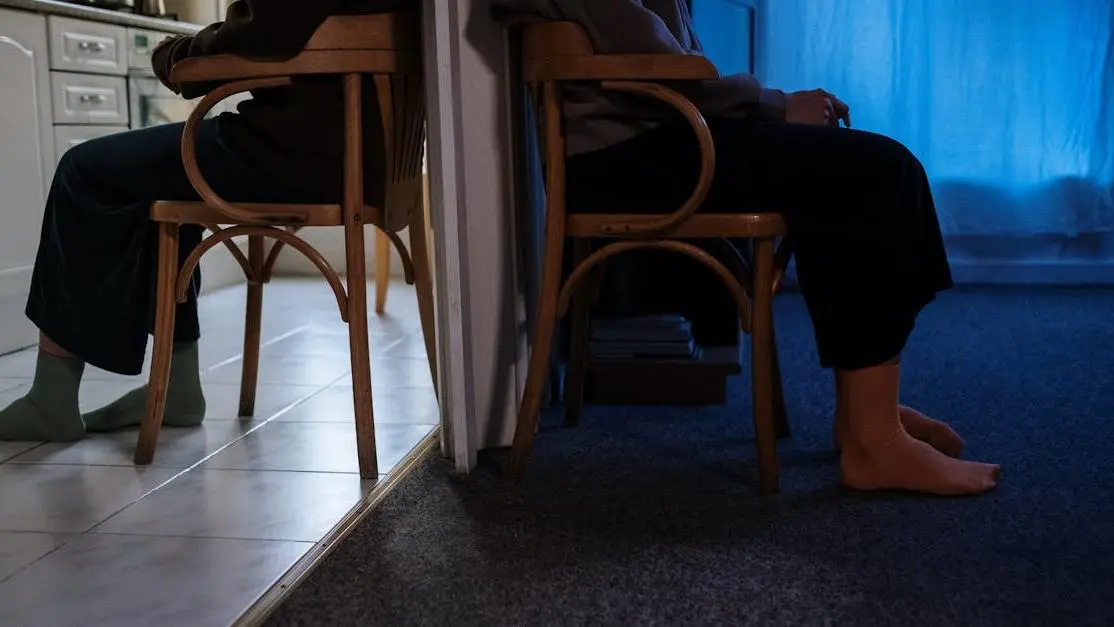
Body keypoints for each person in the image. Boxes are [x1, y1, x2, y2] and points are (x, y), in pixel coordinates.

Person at [492, 0, 1001, 496]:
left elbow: (665, 61)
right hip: (628, 157)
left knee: (875, 170)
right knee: (878, 174)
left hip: (659, 139)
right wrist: (776, 105)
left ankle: (867, 417)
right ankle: (874, 441)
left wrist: (773, 110)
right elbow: (661, 66)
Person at [0, 0, 412, 442]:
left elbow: (264, 33)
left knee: (83, 169)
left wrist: (178, 53)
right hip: (369, 159)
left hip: (293, 154)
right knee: (162, 179)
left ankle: (52, 398)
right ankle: (176, 390)